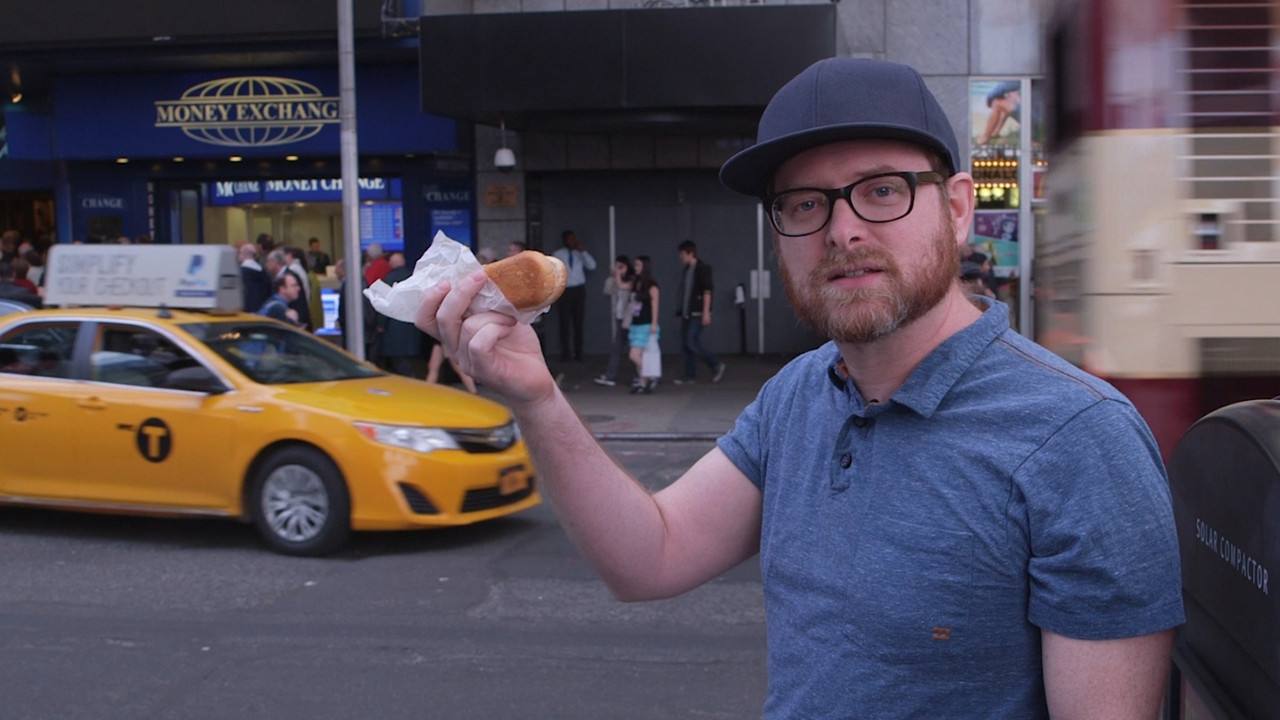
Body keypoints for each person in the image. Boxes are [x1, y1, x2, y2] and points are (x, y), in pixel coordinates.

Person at [417, 57, 1184, 718]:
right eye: (805, 204)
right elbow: (651, 555)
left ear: (956, 209)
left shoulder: (1080, 439)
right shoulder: (797, 395)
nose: (842, 230)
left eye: (881, 190)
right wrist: (539, 398)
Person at [673, 240, 726, 385]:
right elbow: (684, 294)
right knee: (686, 344)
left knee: (691, 340)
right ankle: (690, 375)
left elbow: (707, 291)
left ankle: (715, 364)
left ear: (691, 253)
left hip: (697, 313)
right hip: (687, 314)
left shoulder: (703, 269)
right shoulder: (686, 270)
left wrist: (706, 312)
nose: (680, 257)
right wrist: (681, 313)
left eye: (682, 254)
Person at [376, 252, 424, 377]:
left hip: (394, 327)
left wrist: (381, 325)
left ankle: (409, 384)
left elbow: (387, 304)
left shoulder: (389, 278)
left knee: (400, 363)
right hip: (412, 326)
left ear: (391, 264)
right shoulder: (414, 277)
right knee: (409, 362)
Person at [551, 230, 596, 362]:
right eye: (569, 239)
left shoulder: (580, 254)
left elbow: (592, 266)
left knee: (578, 321)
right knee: (564, 322)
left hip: (578, 290)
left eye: (573, 239)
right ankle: (565, 352)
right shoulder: (558, 254)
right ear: (564, 241)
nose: (572, 241)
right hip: (564, 290)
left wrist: (583, 252)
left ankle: (579, 352)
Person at [593, 255, 634, 387]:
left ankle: (642, 376)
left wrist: (618, 275)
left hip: (631, 318)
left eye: (621, 266)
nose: (618, 269)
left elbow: (623, 287)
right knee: (617, 347)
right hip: (620, 316)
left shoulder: (632, 280)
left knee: (635, 347)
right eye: (617, 266)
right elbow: (607, 290)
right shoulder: (616, 280)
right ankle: (611, 375)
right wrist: (613, 276)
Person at [625, 255, 660, 394]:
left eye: (638, 265)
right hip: (636, 323)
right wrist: (618, 274)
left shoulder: (652, 286)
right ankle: (643, 382)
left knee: (634, 355)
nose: (635, 268)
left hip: (646, 324)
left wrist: (654, 324)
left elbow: (655, 306)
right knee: (640, 356)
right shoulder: (636, 283)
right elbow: (622, 286)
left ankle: (651, 375)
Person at [977, 80, 1021, 146]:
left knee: (997, 102)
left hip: (1031, 115)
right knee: (1010, 96)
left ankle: (985, 138)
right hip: (1035, 112)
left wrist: (989, 98)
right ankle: (995, 132)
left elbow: (1006, 85)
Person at [238, 242, 271, 314]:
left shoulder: (241, 273)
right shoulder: (263, 272)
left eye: (240, 252)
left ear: (245, 253)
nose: (239, 255)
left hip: (246, 311)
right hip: (262, 310)